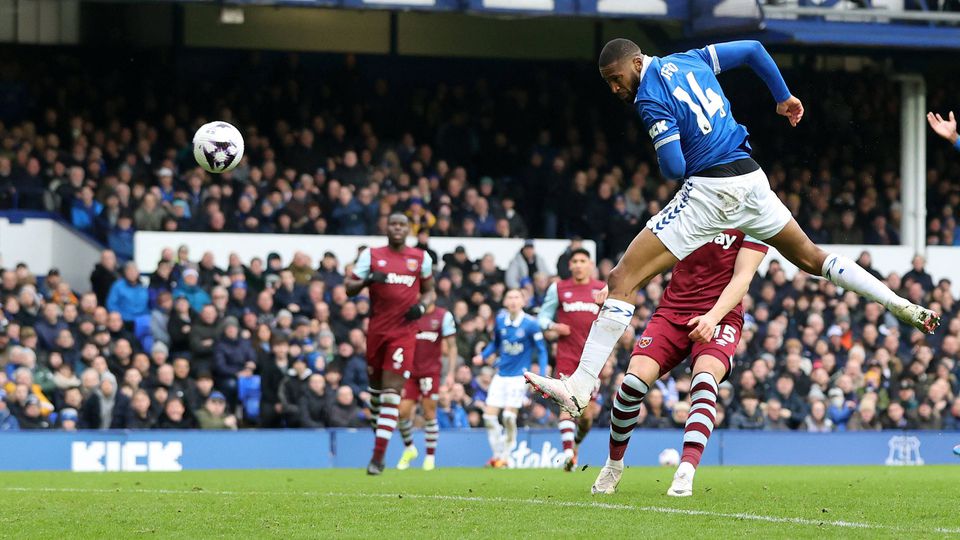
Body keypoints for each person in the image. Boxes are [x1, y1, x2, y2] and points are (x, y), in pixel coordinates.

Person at [526, 38, 939, 431]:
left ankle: (580, 387)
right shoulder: (691, 59)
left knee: (620, 280)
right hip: (752, 179)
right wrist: (783, 96)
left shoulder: (650, 97)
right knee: (813, 259)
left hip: (710, 190)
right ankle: (900, 304)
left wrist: (672, 140)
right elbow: (753, 51)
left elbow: (672, 167)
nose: (616, 88)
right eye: (608, 83)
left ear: (637, 62)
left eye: (616, 78)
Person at [590, 229, 767, 497]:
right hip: (673, 312)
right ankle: (613, 465)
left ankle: (686, 470)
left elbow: (743, 277)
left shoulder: (754, 215)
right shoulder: (690, 205)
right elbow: (655, 257)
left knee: (705, 380)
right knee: (631, 384)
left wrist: (712, 317)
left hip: (721, 315)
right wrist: (620, 285)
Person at [344, 213, 435, 475]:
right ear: (386, 228)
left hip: (404, 334)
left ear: (408, 229)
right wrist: (369, 279)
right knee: (375, 395)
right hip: (376, 332)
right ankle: (382, 433)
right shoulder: (371, 255)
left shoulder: (420, 258)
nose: (397, 228)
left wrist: (422, 306)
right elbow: (349, 287)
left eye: (402, 225)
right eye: (393, 224)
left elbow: (430, 291)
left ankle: (377, 458)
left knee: (391, 394)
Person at [537, 247, 606, 471]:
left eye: (582, 260)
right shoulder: (558, 288)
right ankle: (568, 455)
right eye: (574, 261)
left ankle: (575, 444)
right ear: (569, 265)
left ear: (590, 265)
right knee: (566, 405)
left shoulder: (601, 289)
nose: (578, 264)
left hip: (593, 360)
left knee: (586, 416)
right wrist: (553, 326)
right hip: (567, 357)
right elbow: (543, 317)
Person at [473, 289, 548, 468]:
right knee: (489, 418)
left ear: (523, 301)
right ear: (505, 301)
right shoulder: (500, 320)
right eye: (510, 297)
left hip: (518, 377)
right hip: (500, 376)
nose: (513, 301)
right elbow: (496, 344)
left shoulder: (531, 324)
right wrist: (483, 356)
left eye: (517, 297)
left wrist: (542, 375)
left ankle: (505, 457)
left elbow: (542, 350)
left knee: (507, 416)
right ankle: (497, 454)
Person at [396, 304, 457, 471]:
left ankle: (430, 457)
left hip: (430, 372)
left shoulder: (442, 315)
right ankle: (409, 448)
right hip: (410, 372)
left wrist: (451, 373)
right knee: (402, 413)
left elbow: (452, 347)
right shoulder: (410, 313)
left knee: (429, 413)